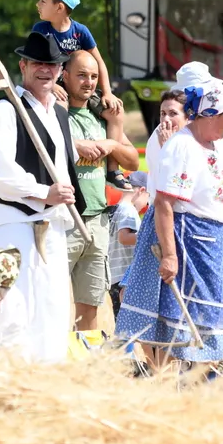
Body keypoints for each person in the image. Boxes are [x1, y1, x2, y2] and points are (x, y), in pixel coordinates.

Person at [114, 78, 223, 375]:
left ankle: (211, 388)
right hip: (189, 239)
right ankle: (185, 386)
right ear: (209, 114)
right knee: (185, 322)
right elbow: (164, 203)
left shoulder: (212, 142)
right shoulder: (183, 146)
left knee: (212, 322)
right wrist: (169, 255)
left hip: (210, 242)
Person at [0, 31, 86, 363]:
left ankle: (47, 377)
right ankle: (6, 377)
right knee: (12, 305)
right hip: (13, 224)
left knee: (53, 305)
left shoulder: (59, 113)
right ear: (23, 65)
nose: (46, 70)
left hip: (52, 226)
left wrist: (61, 198)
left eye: (53, 65)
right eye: (39, 63)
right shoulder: (5, 109)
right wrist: (45, 193)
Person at [61, 50, 140, 331]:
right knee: (54, 300)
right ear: (64, 75)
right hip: (64, 218)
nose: (89, 82)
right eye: (81, 75)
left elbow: (133, 160)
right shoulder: (53, 113)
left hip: (97, 220)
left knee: (90, 302)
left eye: (94, 76)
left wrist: (111, 143)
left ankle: (86, 364)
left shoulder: (100, 118)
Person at [32, 0, 132, 191]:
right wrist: (51, 85)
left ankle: (113, 170)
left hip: (78, 83)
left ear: (59, 7)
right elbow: (36, 64)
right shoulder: (41, 30)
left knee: (114, 111)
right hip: (55, 87)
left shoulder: (80, 31)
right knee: (60, 109)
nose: (37, 4)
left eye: (42, 0)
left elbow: (99, 62)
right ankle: (64, 163)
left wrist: (107, 92)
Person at [108, 171, 149, 321]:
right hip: (126, 275)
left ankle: (122, 345)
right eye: (148, 199)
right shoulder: (129, 210)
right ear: (142, 191)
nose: (147, 204)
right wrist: (149, 236)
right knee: (130, 321)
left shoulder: (116, 209)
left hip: (114, 274)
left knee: (121, 321)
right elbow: (124, 237)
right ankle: (126, 345)